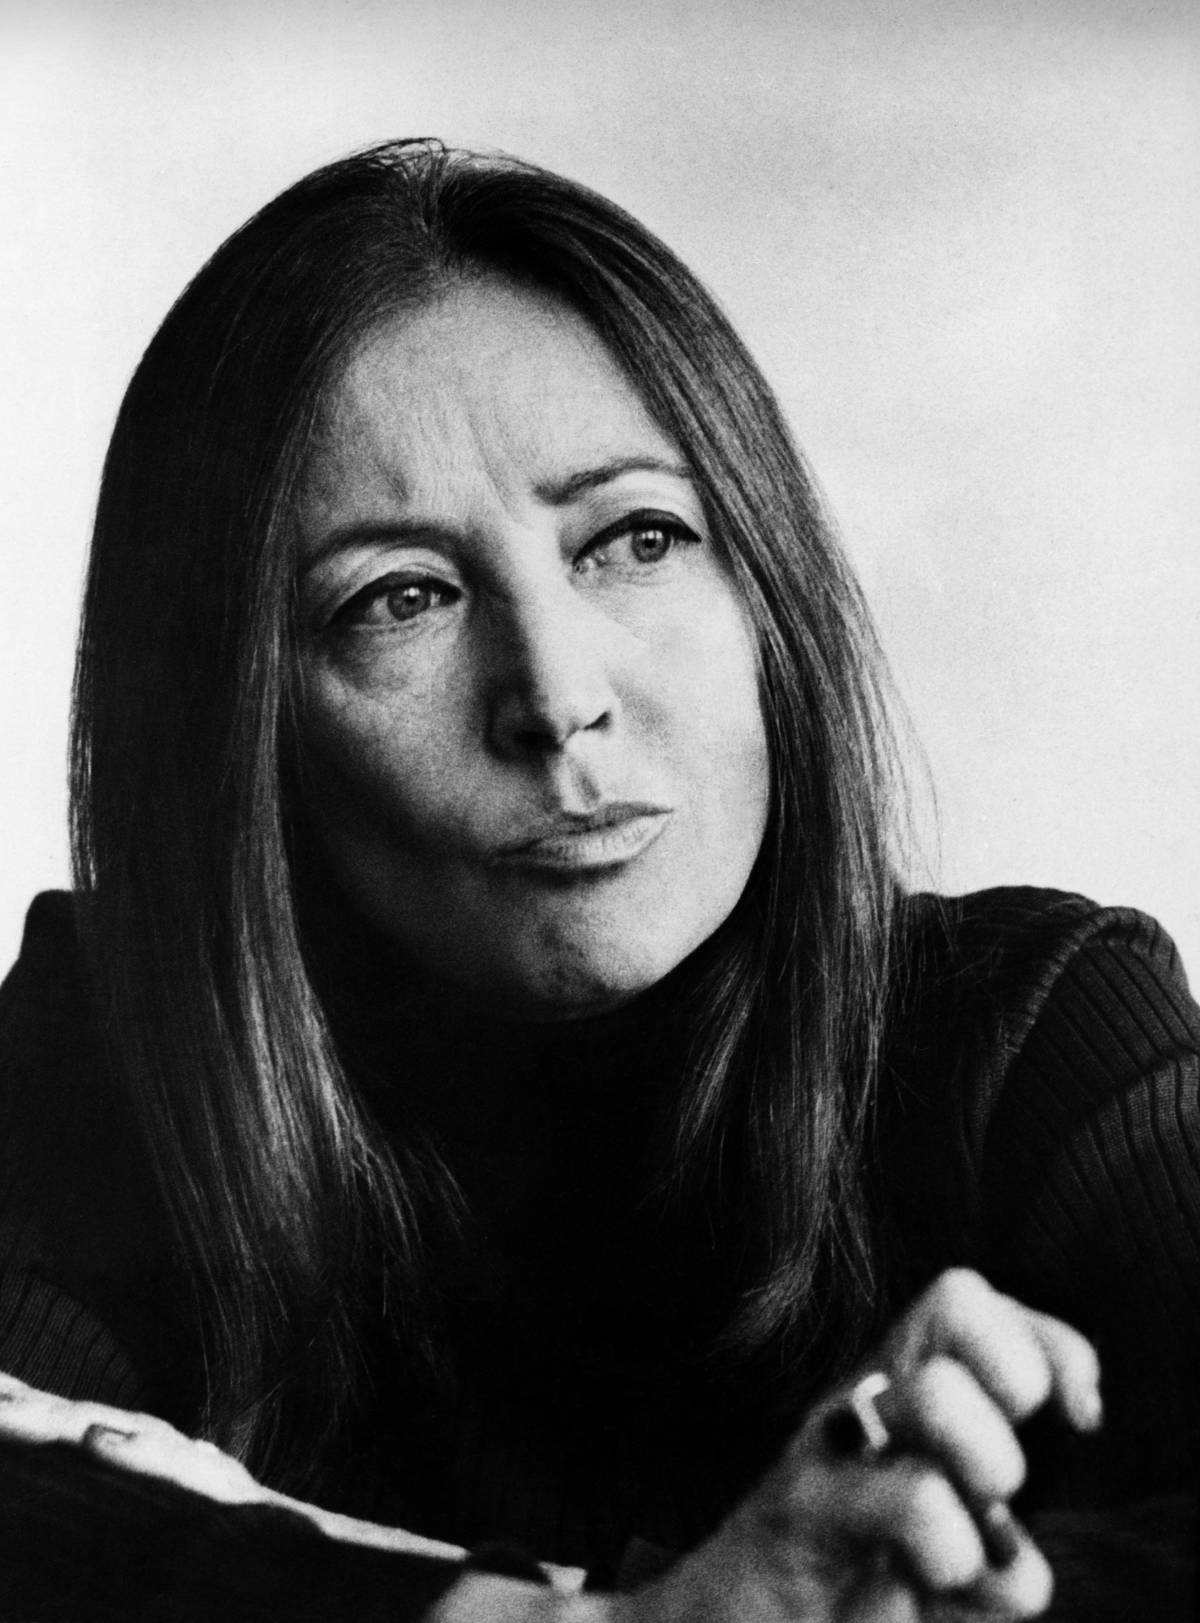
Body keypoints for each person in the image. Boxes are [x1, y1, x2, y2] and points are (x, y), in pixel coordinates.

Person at [0, 139, 1195, 1622]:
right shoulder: (107, 1062)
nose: (557, 697)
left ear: (766, 593)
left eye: (637, 539)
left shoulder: (1041, 1029)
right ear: (230, 726)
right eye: (400, 597)